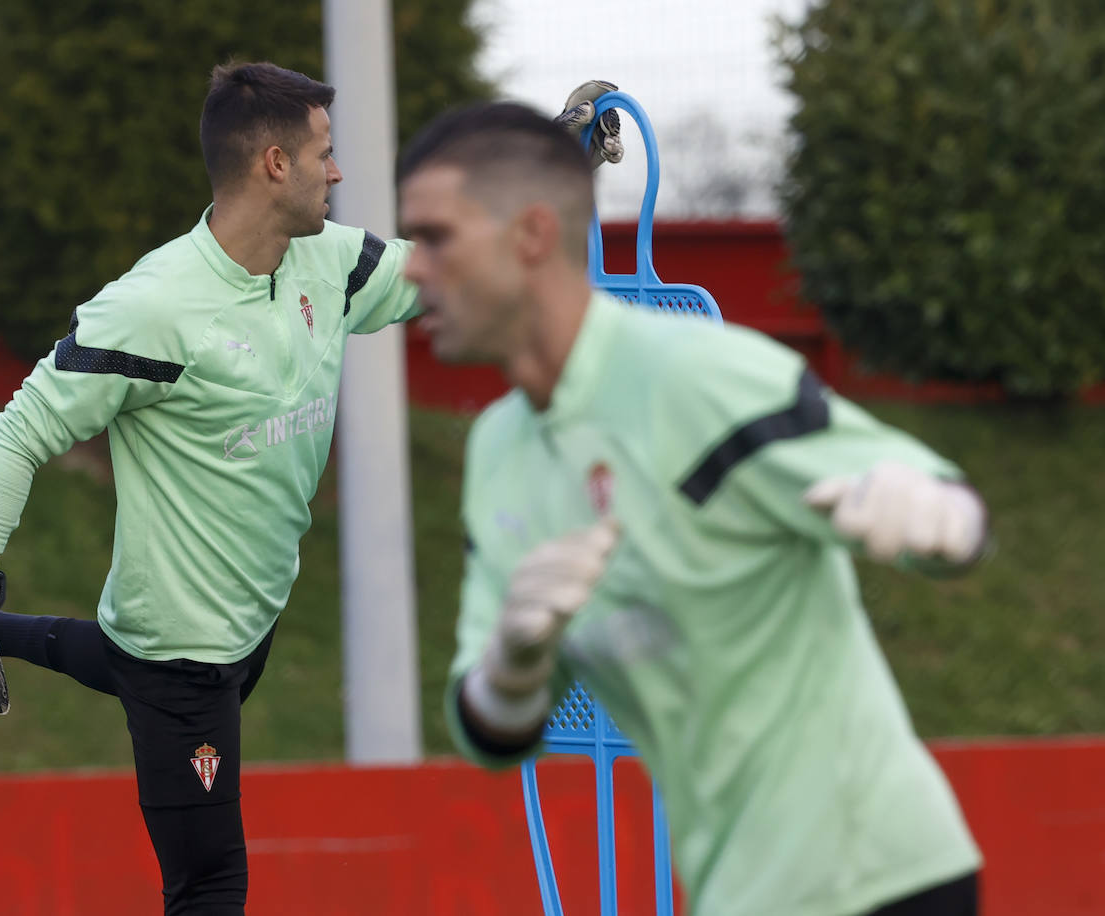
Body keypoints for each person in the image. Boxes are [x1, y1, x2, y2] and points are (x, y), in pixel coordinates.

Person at [0, 63, 624, 915]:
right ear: (275, 164)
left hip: (243, 625)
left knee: (121, 657)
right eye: (326, 153)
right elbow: (17, 432)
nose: (338, 172)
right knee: (210, 886)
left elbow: (446, 267)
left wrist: (555, 162)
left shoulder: (327, 263)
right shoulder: (152, 306)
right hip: (187, 656)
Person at [396, 101, 987, 916]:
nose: (412, 268)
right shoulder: (499, 451)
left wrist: (935, 518)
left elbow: (935, 498)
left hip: (877, 880)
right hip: (736, 894)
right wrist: (513, 666)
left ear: (531, 236)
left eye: (435, 237)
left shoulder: (696, 376)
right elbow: (489, 727)